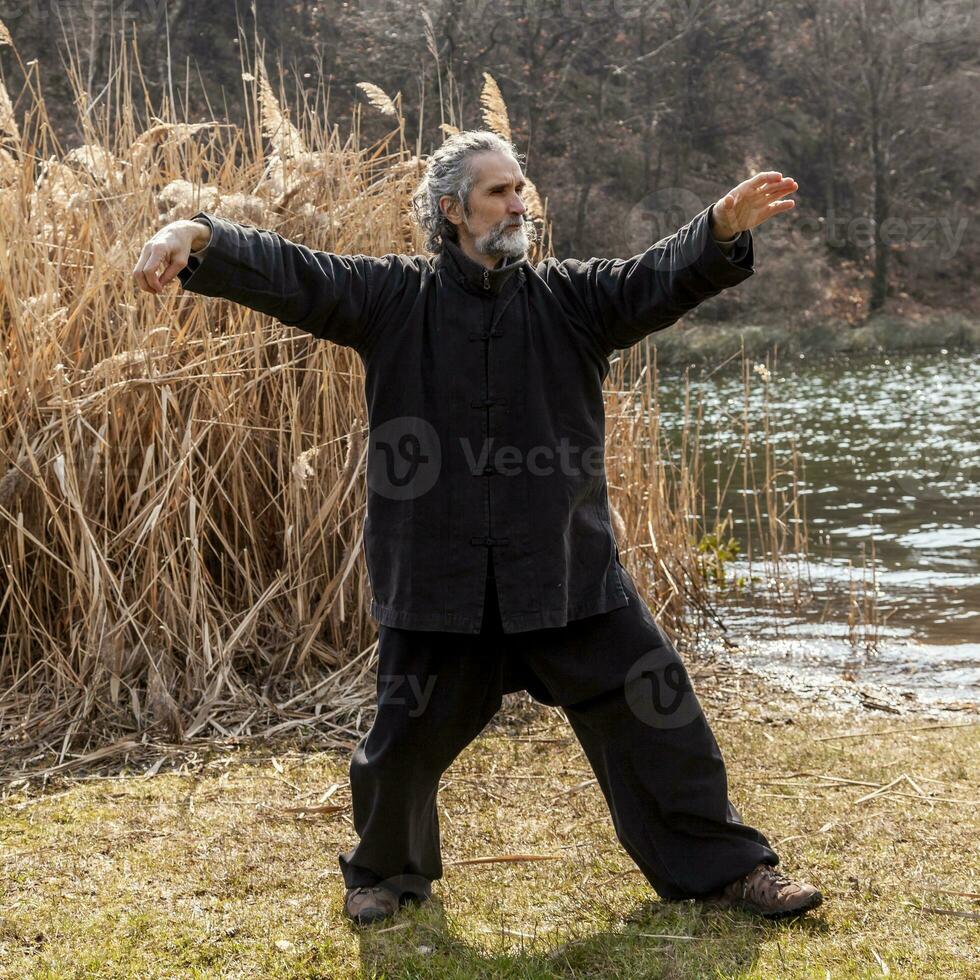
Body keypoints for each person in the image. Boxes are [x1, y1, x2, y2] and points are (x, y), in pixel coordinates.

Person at [134, 130, 822, 927]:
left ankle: (728, 872)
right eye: (498, 191)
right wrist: (196, 235)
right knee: (400, 746)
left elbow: (654, 278)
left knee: (662, 715)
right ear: (452, 210)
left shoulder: (577, 301)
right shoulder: (393, 300)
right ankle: (383, 877)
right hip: (440, 582)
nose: (518, 203)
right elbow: (298, 275)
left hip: (566, 575)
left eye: (521, 187)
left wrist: (718, 231)